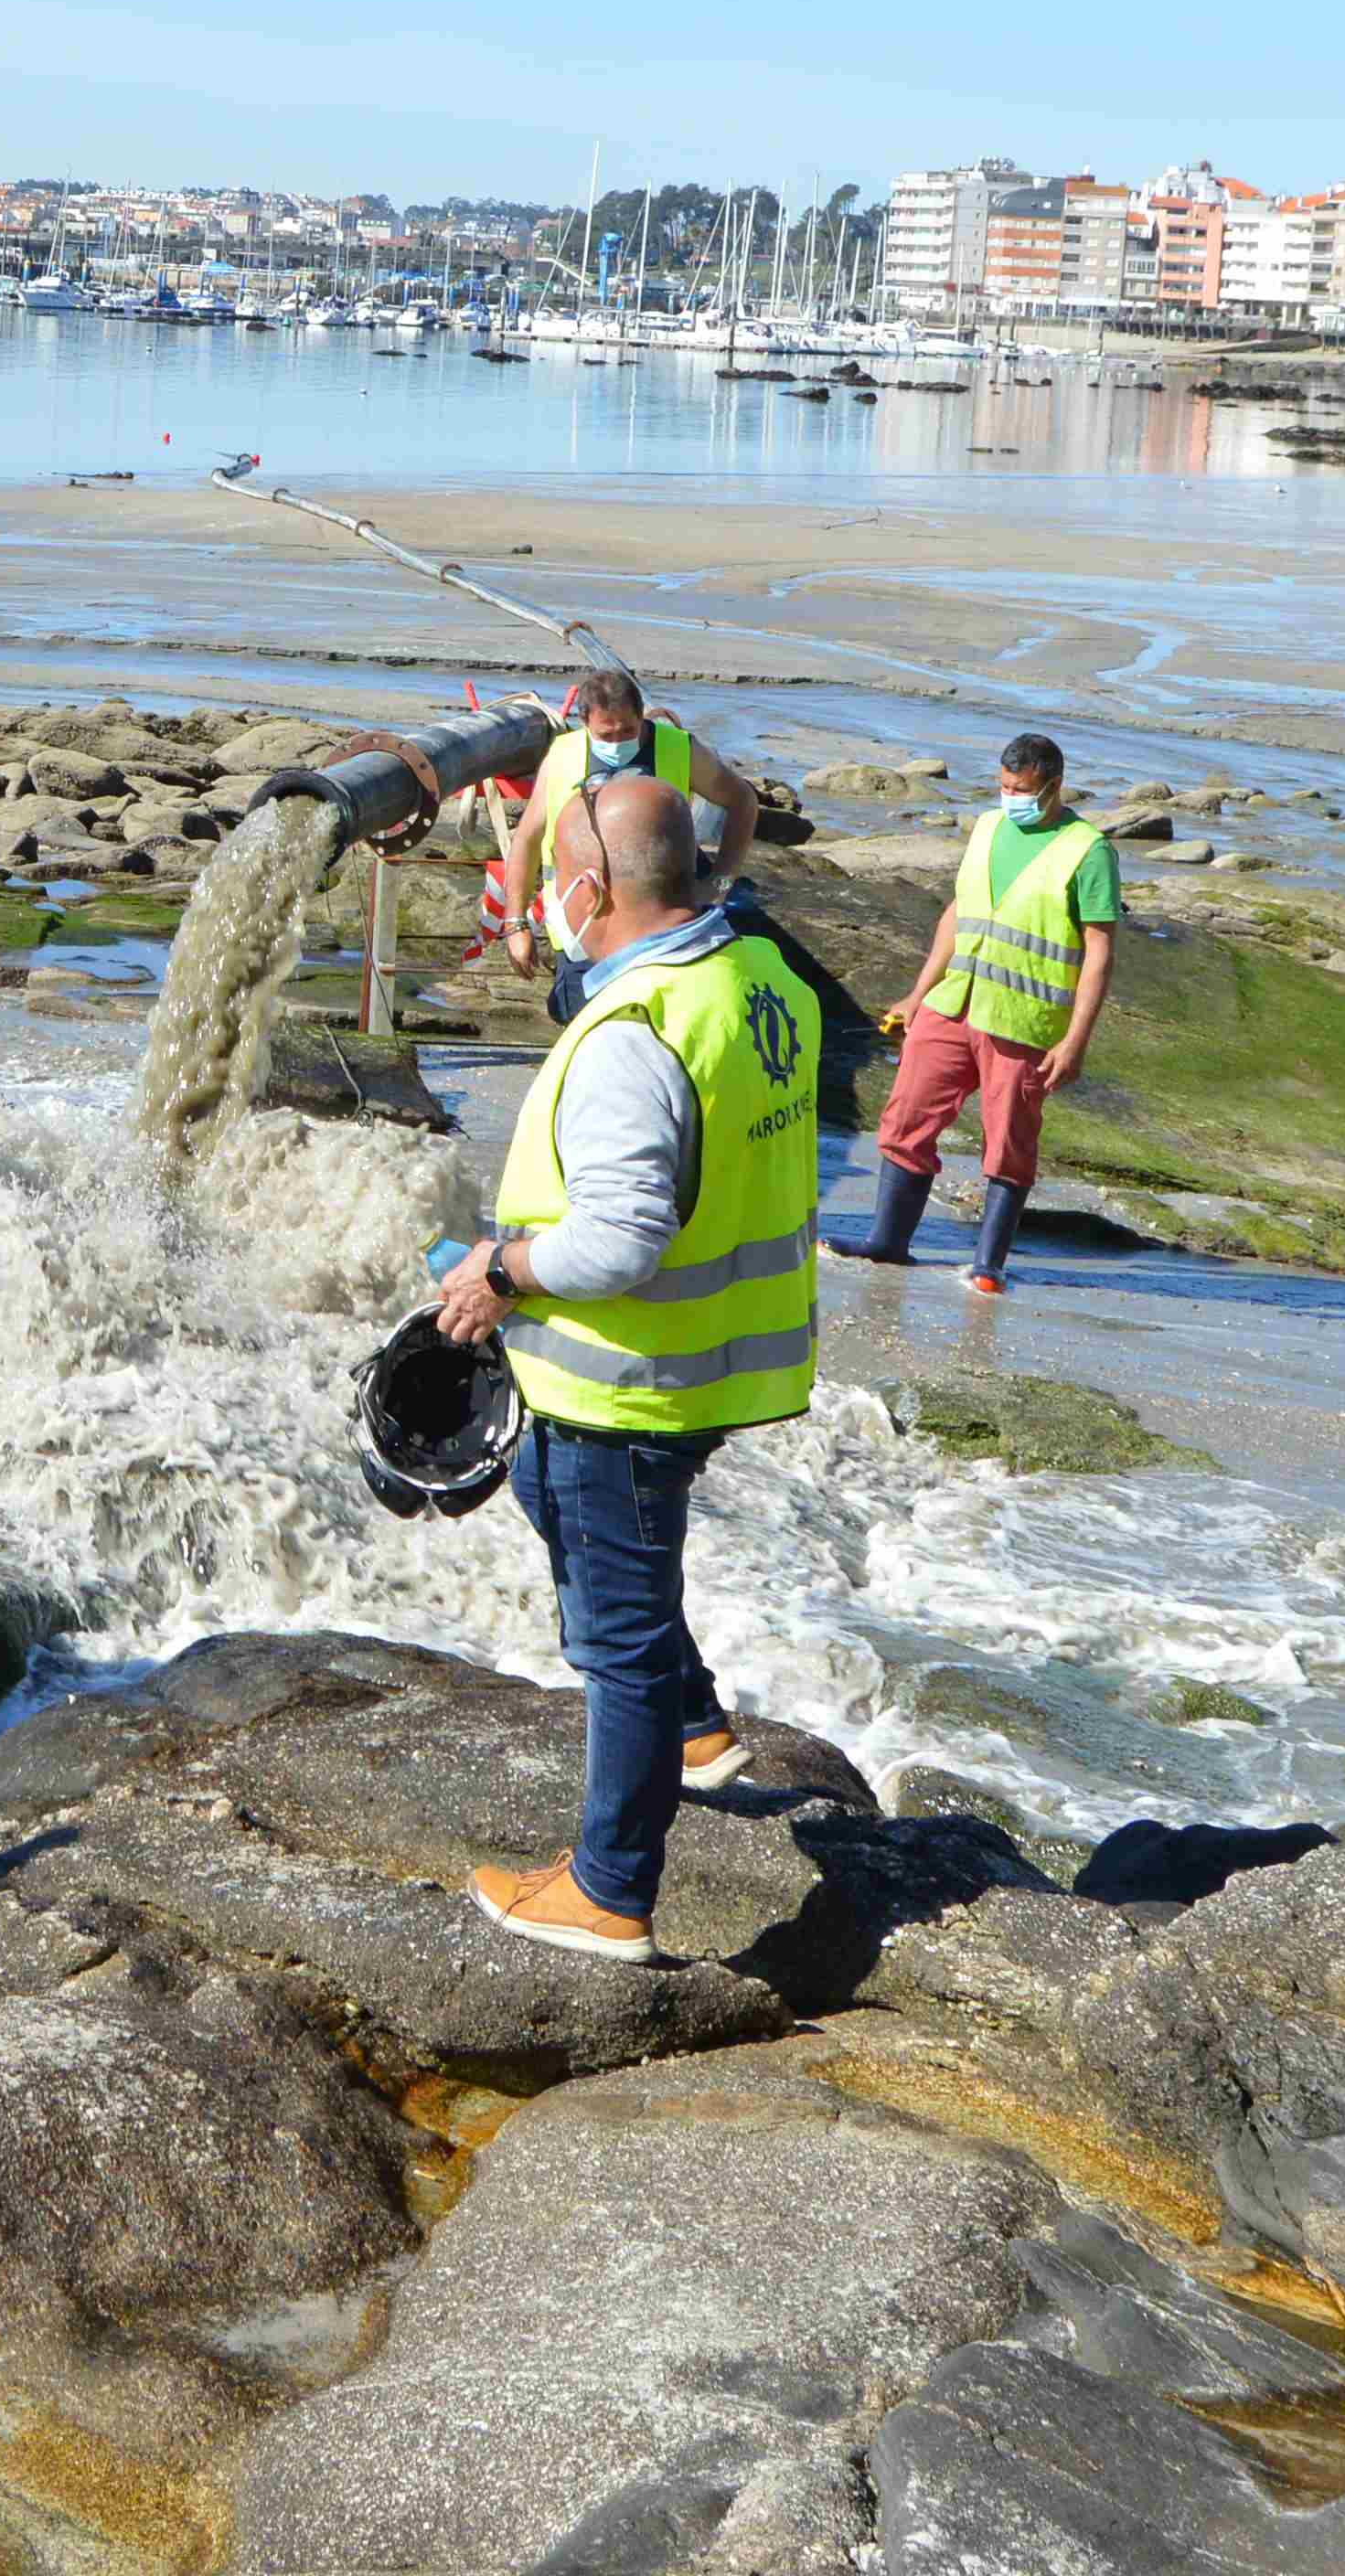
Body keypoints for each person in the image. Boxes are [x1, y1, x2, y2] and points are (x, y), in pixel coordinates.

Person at [429, 771, 823, 1962]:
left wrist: (499, 1273)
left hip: (628, 1378)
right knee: (559, 1505)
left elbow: (617, 1238)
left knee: (619, 1638)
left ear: (590, 887)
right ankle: (697, 1726)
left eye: (554, 880)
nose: (547, 897)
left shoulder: (635, 1036)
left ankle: (610, 1889)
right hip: (707, 1361)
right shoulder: (759, 976)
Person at [871, 731, 1120, 1299]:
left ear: (1053, 787)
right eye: (1004, 786)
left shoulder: (1089, 850)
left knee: (1008, 1142)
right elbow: (958, 911)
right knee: (906, 1116)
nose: (1010, 796)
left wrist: (1076, 1041)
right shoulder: (986, 827)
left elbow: (1099, 952)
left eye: (1022, 789)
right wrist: (917, 993)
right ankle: (888, 1244)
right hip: (951, 1003)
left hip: (1022, 1021)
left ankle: (989, 1264)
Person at [497, 667, 763, 971]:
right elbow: (527, 838)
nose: (617, 742)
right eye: (605, 735)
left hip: (662, 926)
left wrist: (721, 882)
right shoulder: (562, 755)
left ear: (641, 717)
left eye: (627, 731)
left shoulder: (678, 747)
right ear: (585, 723)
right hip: (582, 927)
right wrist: (516, 924)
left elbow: (742, 800)